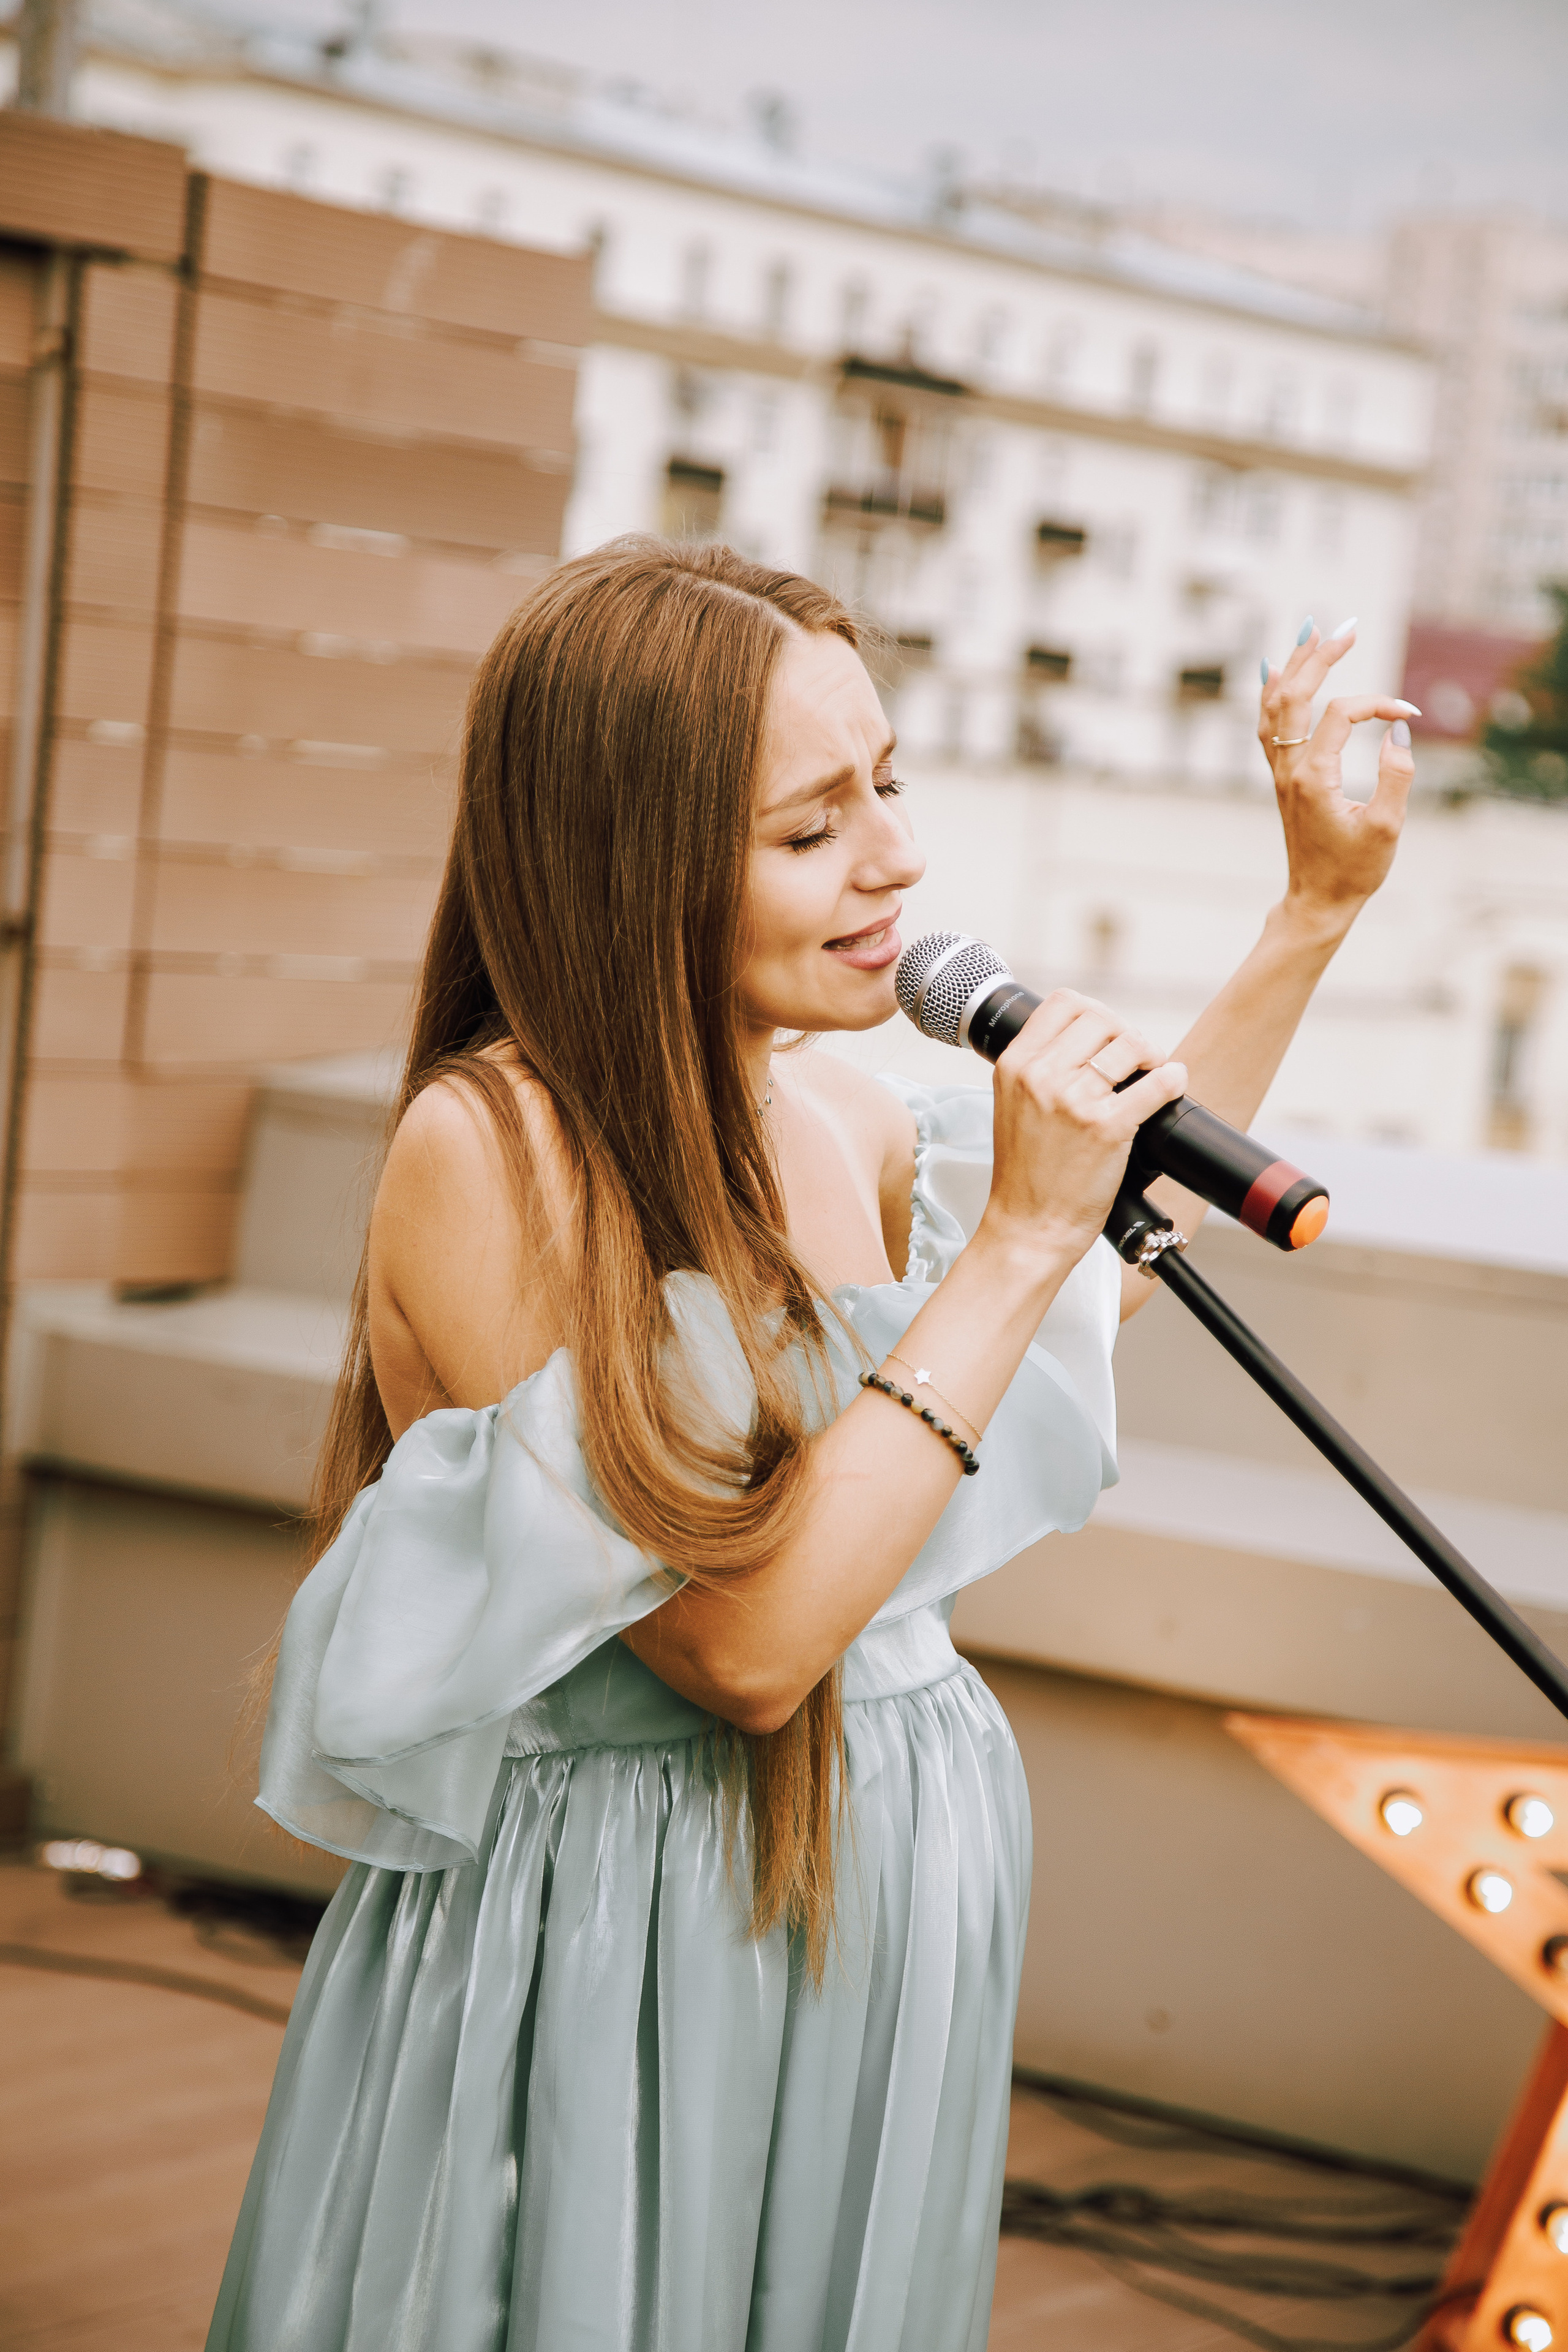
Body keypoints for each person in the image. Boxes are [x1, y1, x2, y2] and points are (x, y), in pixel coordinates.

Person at [208, 544, 1414, 2352]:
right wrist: (1013, 1238)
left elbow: (1048, 1312)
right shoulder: (497, 1151)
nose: (898, 861)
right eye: (809, 827)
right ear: (635, 860)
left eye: (890, 785)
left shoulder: (837, 1107)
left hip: (888, 1893)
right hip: (629, 1927)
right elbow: (749, 1651)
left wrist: (1311, 912)